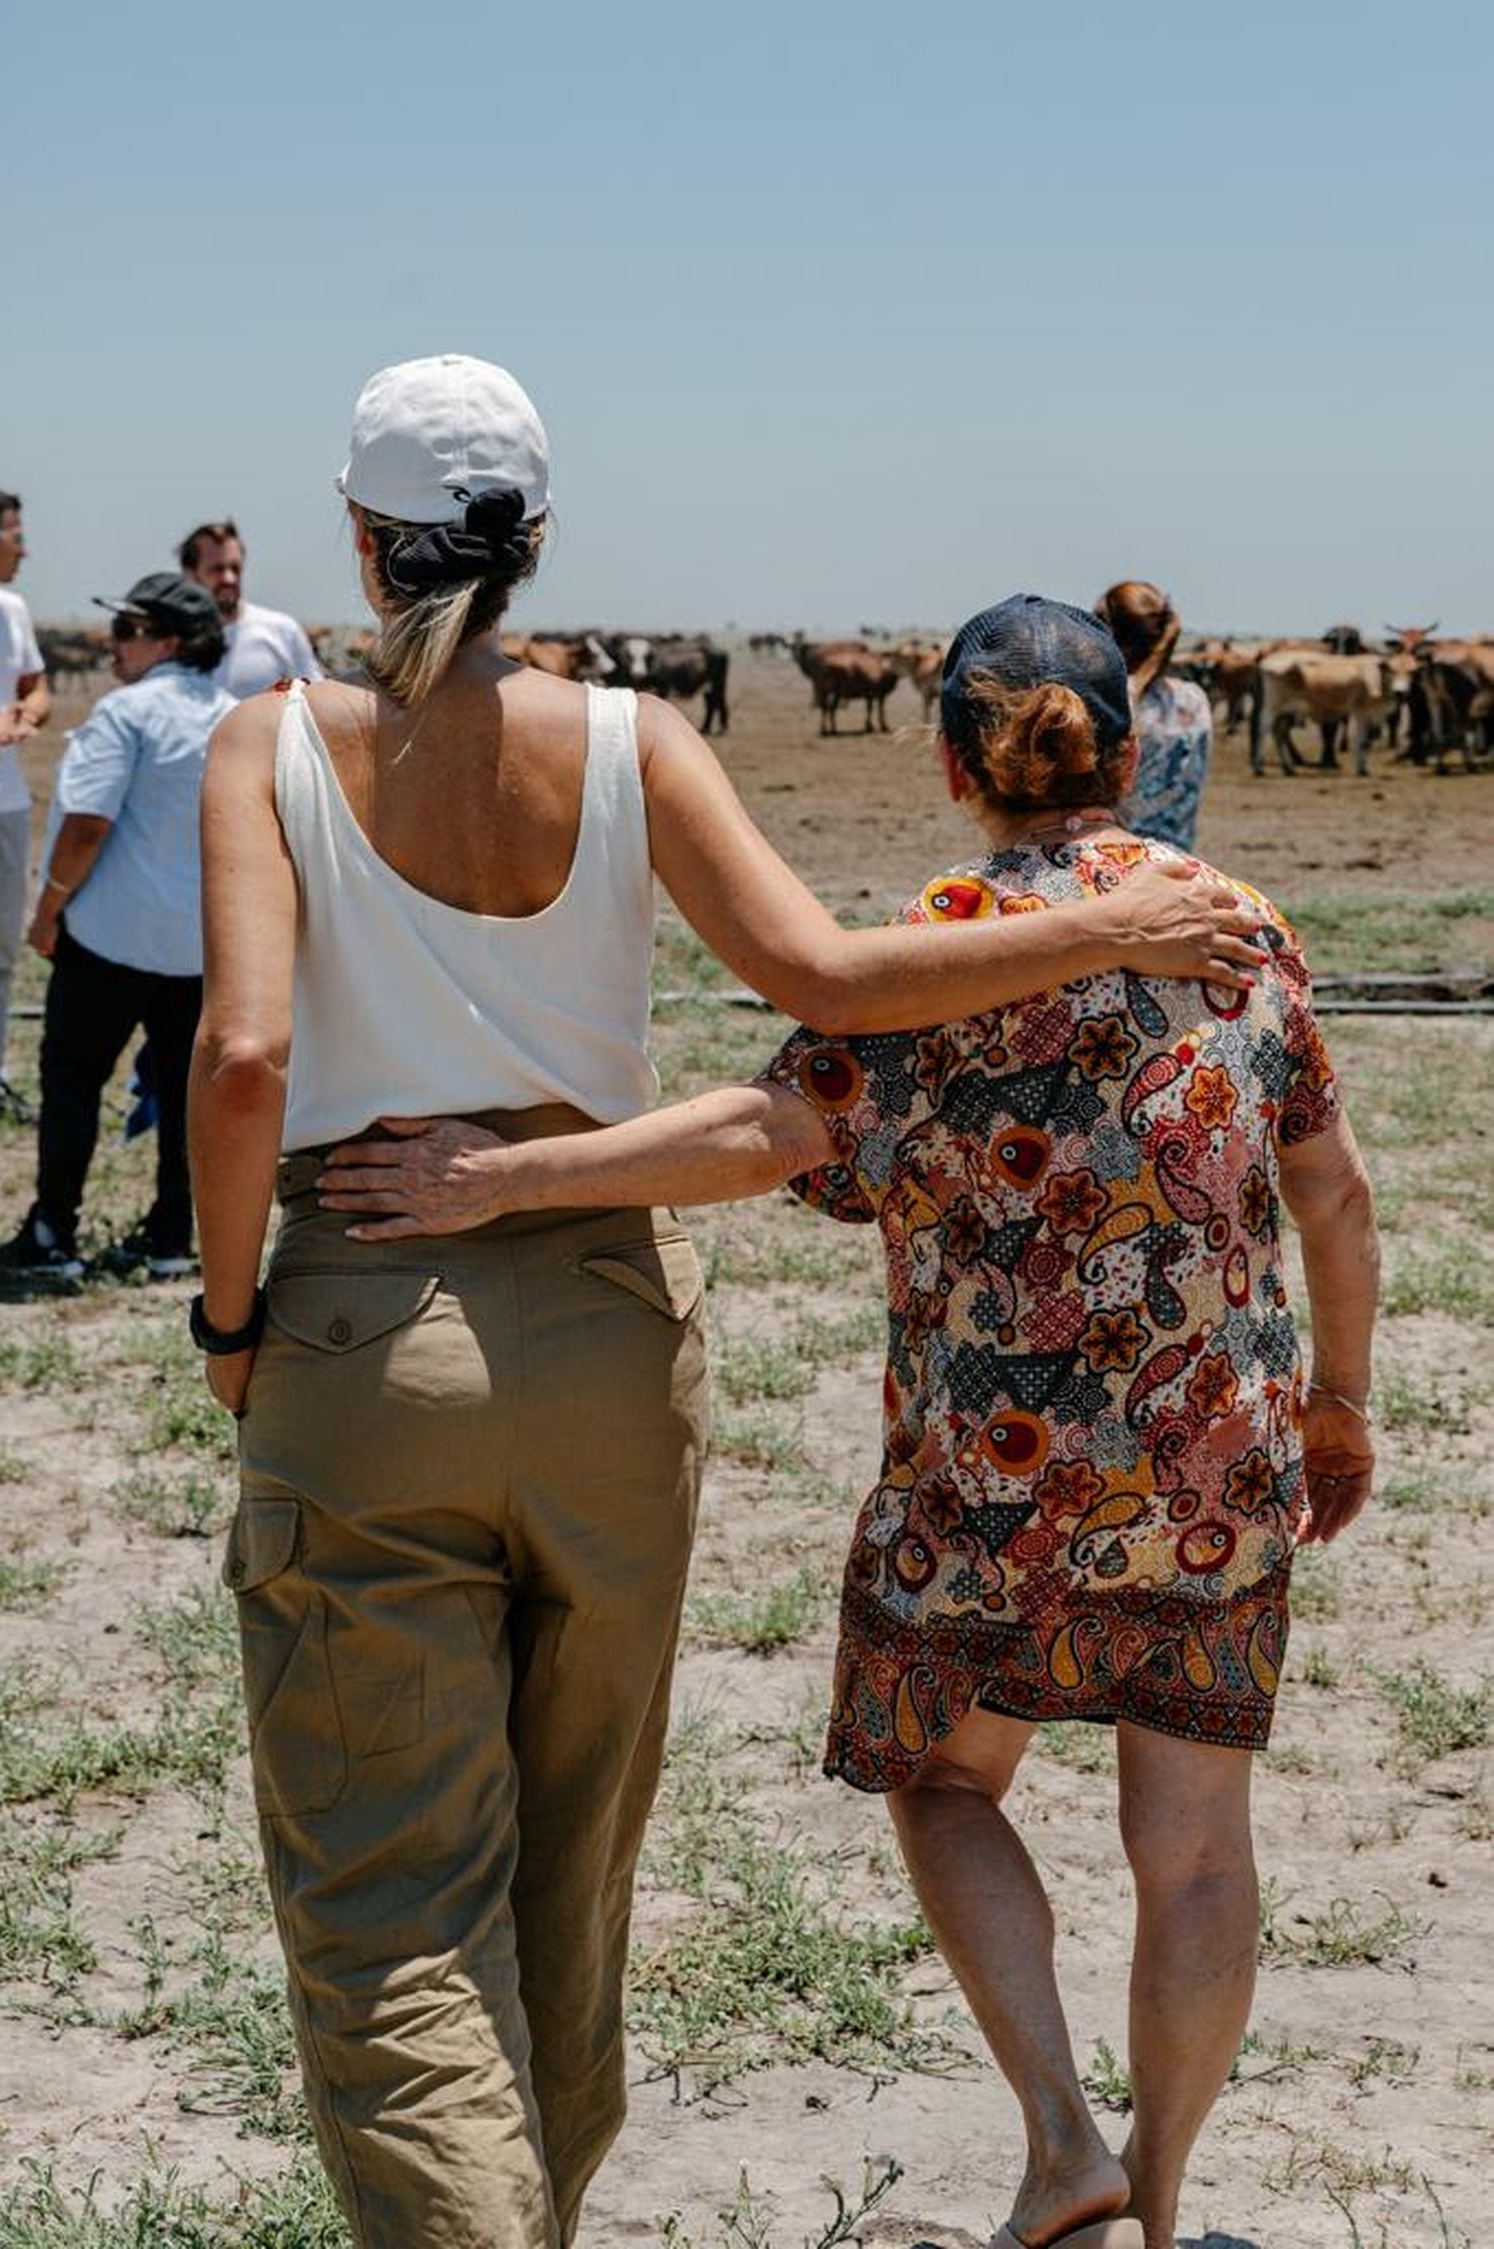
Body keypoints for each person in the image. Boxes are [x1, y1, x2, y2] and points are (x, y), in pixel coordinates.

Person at [187, 357, 1263, 2249]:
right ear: (536, 544)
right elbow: (837, 976)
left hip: (368, 1311)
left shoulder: (262, 743)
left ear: (355, 541)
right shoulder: (632, 740)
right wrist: (1118, 917)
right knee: (574, 1858)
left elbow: (248, 1053)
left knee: (387, 1899)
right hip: (611, 1327)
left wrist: (223, 1318)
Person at [324, 594, 1378, 2249]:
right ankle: (1161, 2210)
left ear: (958, 756)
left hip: (991, 1483)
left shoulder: (951, 934)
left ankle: (1061, 2143)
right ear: (1132, 735)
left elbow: (765, 1131)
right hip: (1214, 1459)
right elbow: (1334, 1187)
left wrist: (503, 1173)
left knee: (950, 1783)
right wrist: (1342, 1399)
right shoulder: (1240, 921)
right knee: (1194, 1849)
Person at [0, 574, 232, 1284]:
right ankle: (169, 1238)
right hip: (196, 946)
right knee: (188, 1098)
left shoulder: (123, 714)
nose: (113, 643)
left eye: (127, 630)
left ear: (170, 642)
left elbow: (87, 824)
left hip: (108, 937)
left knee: (71, 1082)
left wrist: (47, 911)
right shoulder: (235, 717)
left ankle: (53, 1232)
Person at [0, 488, 51, 1115]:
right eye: (15, 535)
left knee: (1, 951)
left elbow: (36, 688)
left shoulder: (12, 610)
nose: (26, 548)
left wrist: (30, 711)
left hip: (6, 805)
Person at [1095, 581, 1212, 852]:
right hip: (1178, 865)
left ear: (1105, 632)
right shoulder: (1194, 700)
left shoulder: (1108, 698)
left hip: (1114, 864)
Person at [179, 517, 323, 697]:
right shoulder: (170, 641)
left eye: (235, 568)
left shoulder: (283, 631)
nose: (229, 579)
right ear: (191, 574)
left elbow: (315, 698)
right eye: (217, 569)